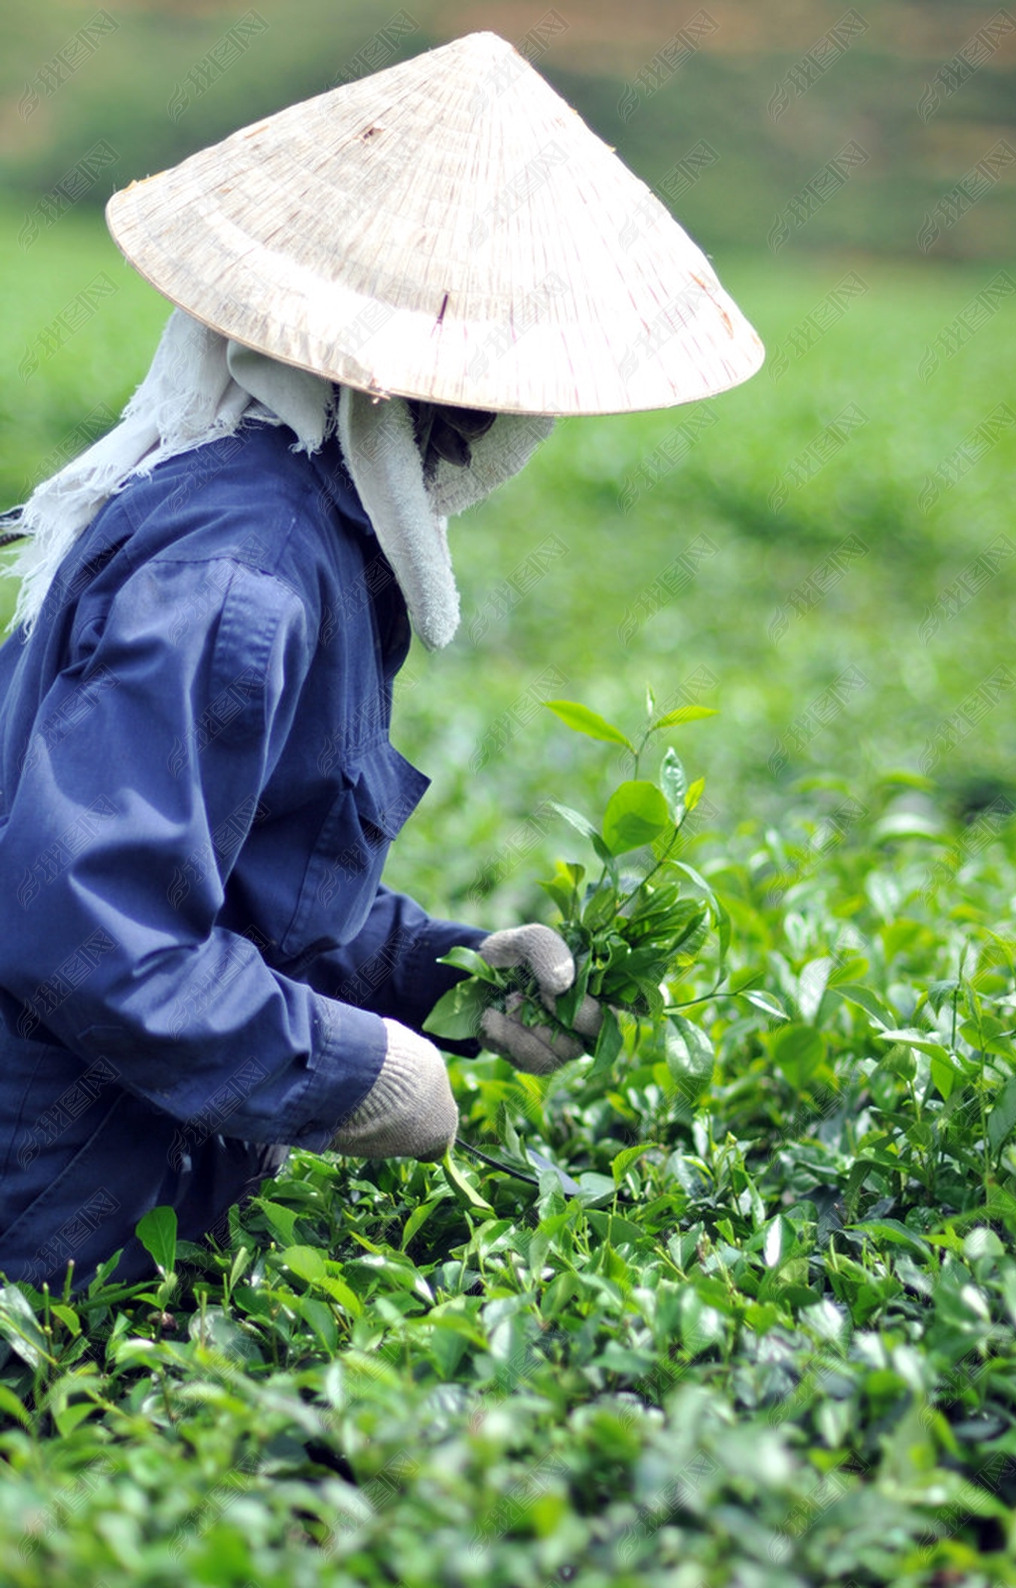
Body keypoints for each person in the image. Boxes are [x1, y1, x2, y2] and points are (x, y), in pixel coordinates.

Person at [0, 32, 763, 1291]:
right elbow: (84, 924)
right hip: (53, 1210)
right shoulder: (242, 578)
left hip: (107, 1170)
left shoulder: (291, 525)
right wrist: (349, 1072)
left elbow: (235, 882)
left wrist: (435, 974)